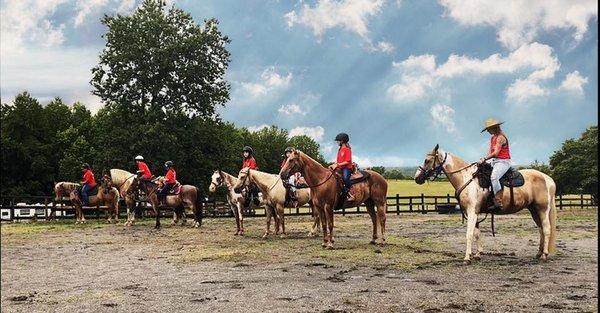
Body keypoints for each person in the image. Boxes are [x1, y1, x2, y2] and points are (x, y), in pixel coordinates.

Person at [477, 118, 511, 208]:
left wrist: (484, 158)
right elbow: (490, 152)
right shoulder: (493, 138)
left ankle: (498, 200)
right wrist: (483, 160)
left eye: (489, 129)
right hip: (495, 162)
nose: (488, 131)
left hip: (503, 162)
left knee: (494, 177)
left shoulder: (500, 137)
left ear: (495, 128)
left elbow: (495, 153)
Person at [328, 133, 355, 202]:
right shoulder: (339, 150)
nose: (337, 142)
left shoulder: (347, 149)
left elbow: (347, 162)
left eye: (338, 141)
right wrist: (334, 164)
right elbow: (339, 161)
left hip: (347, 168)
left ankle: (351, 193)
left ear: (342, 141)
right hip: (340, 168)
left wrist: (337, 165)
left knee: (345, 178)